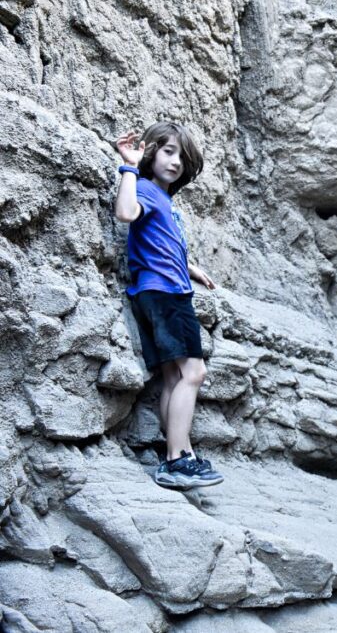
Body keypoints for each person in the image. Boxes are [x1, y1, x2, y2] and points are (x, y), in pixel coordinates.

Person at [114, 121, 224, 489]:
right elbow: (126, 214)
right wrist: (129, 165)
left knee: (174, 377)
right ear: (150, 152)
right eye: (168, 151)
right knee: (195, 373)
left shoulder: (164, 198)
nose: (175, 161)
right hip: (164, 294)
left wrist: (192, 268)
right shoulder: (143, 187)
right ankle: (177, 460)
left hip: (163, 289)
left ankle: (181, 454)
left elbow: (163, 243)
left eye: (182, 156)